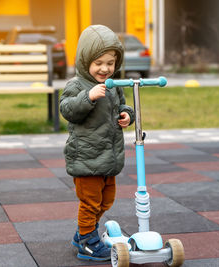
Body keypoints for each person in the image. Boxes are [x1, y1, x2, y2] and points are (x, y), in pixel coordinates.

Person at [59, 25, 135, 261]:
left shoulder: (113, 87)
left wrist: (127, 114)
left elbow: (122, 105)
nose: (105, 69)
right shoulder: (77, 85)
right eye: (99, 63)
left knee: (106, 200)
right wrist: (88, 97)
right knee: (90, 202)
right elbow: (67, 108)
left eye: (110, 63)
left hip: (108, 156)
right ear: (85, 61)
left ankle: (83, 232)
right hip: (86, 157)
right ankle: (87, 243)